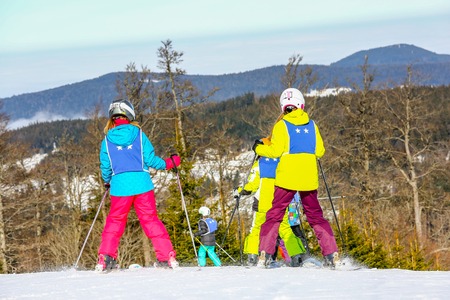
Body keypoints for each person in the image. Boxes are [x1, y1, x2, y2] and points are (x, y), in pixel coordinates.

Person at [253, 88, 340, 269]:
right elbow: (320, 151)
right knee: (316, 216)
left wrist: (258, 149)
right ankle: (332, 255)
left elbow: (275, 151)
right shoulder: (312, 125)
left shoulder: (281, 125)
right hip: (308, 178)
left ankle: (265, 254)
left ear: (283, 106)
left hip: (287, 179)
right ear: (301, 105)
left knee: (274, 215)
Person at [96, 98, 181, 271]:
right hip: (143, 185)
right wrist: (169, 163)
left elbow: (105, 166)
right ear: (130, 114)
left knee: (115, 222)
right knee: (150, 220)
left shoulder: (106, 141)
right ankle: (166, 257)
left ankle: (106, 258)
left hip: (120, 187)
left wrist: (107, 181)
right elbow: (150, 160)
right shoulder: (139, 135)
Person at [235, 152, 307, 268]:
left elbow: (251, 186)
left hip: (262, 204)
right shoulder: (282, 161)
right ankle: (296, 256)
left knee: (257, 229)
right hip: (280, 202)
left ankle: (253, 256)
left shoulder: (259, 164)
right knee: (285, 229)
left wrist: (239, 191)